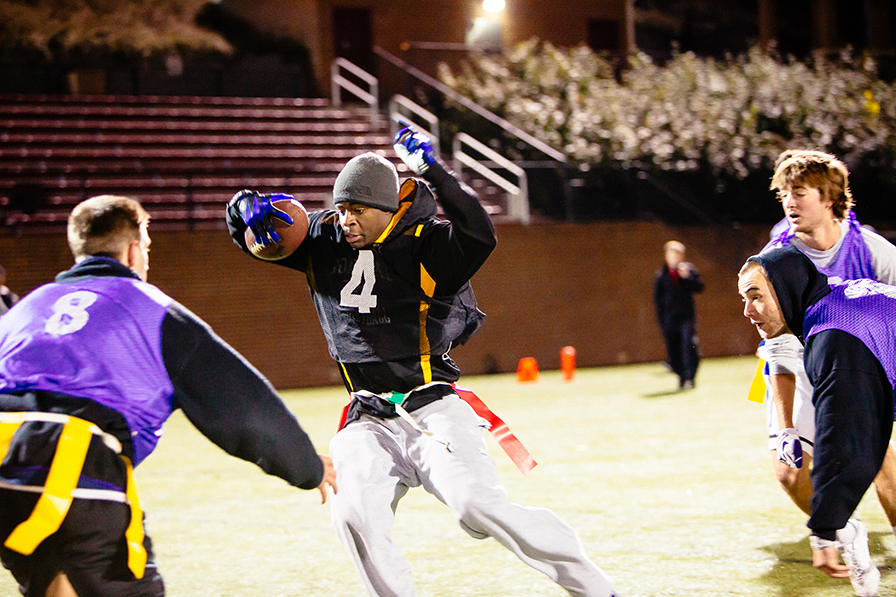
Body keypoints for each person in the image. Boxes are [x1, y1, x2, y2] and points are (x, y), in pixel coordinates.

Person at [225, 128, 617, 596]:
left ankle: (595, 588)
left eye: (357, 209)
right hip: (367, 416)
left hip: (433, 407)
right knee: (351, 514)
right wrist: (242, 209)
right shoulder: (323, 239)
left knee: (476, 506)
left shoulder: (425, 242)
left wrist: (437, 173)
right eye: (342, 208)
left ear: (388, 209)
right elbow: (262, 235)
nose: (344, 219)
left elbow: (479, 233)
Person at [0, 195, 336, 597]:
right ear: (133, 249)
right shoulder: (150, 308)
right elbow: (238, 404)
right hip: (72, 460)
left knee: (59, 581)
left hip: (6, 462)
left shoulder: (27, 307)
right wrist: (305, 466)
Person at [756, 150, 896, 596]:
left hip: (863, 355)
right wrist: (783, 429)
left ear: (830, 197)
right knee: (789, 467)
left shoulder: (875, 253)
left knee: (879, 458)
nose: (789, 202)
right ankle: (837, 530)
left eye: (799, 193)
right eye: (783, 194)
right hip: (797, 360)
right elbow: (775, 350)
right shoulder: (776, 259)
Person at [653, 240, 704, 389]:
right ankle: (681, 377)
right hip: (669, 319)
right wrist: (662, 321)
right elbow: (658, 301)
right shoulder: (661, 276)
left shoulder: (688, 270)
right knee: (673, 349)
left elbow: (700, 287)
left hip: (686, 317)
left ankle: (690, 377)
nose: (675, 257)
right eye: (672, 253)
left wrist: (687, 277)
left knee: (689, 345)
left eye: (678, 254)